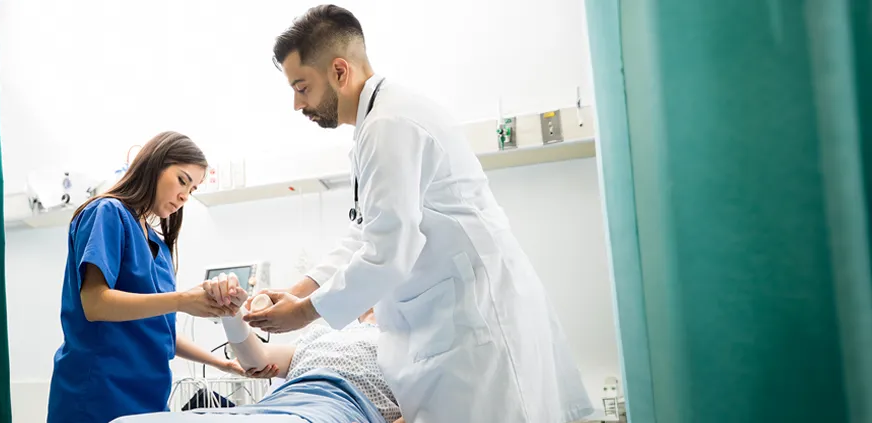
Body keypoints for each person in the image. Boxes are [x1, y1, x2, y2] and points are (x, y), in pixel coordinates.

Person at [242, 5, 595, 423]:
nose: (297, 105)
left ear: (339, 71)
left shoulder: (390, 126)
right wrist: (300, 291)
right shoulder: (379, 124)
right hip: (443, 332)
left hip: (473, 330)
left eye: (302, 87)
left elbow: (386, 252)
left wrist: (304, 312)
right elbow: (366, 234)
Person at [46, 131, 275, 423]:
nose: (184, 196)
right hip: (97, 393)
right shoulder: (107, 212)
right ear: (154, 165)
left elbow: (157, 330)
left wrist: (223, 363)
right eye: (182, 180)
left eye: (192, 190)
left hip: (148, 396)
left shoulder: (158, 245)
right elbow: (95, 303)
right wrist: (183, 300)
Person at [115, 275, 400, 423]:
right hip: (279, 406)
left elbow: (426, 410)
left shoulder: (408, 344)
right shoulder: (324, 332)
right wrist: (231, 313)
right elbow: (257, 361)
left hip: (339, 409)